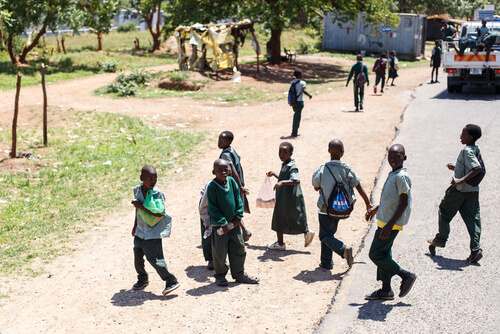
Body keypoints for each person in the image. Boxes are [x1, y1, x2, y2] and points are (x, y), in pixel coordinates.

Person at [365, 144, 416, 300]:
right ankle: (386, 290)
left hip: (390, 224)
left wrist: (389, 225)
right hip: (385, 221)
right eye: (390, 156)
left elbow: (403, 202)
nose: (393, 159)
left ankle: (405, 275)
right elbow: (390, 200)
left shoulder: (401, 176)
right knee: (384, 254)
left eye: (397, 156)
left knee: (375, 254)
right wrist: (376, 209)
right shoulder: (393, 173)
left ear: (404, 158)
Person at [312, 139, 373, 269]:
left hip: (325, 209)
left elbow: (315, 186)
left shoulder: (323, 169)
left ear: (328, 151)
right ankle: (326, 262)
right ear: (342, 152)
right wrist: (367, 203)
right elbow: (358, 185)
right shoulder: (347, 169)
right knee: (329, 235)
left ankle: (343, 250)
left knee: (324, 235)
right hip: (341, 208)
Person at [428, 124, 484, 263]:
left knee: (444, 211)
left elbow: (476, 168)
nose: (460, 136)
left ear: (470, 137)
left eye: (463, 133)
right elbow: (472, 167)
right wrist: (456, 168)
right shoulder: (475, 149)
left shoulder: (467, 151)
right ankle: (475, 250)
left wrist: (459, 180)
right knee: (473, 220)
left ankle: (441, 239)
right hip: (472, 191)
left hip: (459, 190)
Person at [207, 159, 259, 286]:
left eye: (226, 169)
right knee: (219, 252)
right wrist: (223, 223)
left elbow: (238, 200)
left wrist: (238, 217)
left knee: (239, 248)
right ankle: (220, 276)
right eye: (219, 170)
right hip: (221, 227)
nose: (223, 172)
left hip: (234, 225)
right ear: (214, 172)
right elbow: (213, 208)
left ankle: (239, 274)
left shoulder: (232, 182)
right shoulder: (212, 187)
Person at [131, 165, 179, 295]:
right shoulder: (137, 190)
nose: (153, 181)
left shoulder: (158, 193)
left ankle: (171, 280)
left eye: (155, 178)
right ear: (141, 178)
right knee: (137, 257)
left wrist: (141, 206)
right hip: (141, 230)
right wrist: (135, 225)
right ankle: (142, 279)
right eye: (149, 178)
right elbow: (137, 210)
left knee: (155, 259)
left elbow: (159, 213)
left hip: (153, 232)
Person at [266, 142, 315, 250]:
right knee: (289, 216)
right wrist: (274, 174)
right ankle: (305, 232)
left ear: (291, 153)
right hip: (285, 196)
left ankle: (280, 244)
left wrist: (282, 182)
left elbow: (296, 180)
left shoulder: (292, 166)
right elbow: (286, 178)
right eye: (280, 152)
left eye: (285, 152)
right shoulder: (284, 164)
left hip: (289, 197)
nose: (281, 154)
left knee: (280, 216)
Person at [218, 131, 252, 242]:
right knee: (236, 207)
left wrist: (239, 186)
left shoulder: (226, 154)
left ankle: (238, 233)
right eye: (219, 139)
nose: (219, 142)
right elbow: (240, 167)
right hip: (237, 183)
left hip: (232, 185)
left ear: (229, 142)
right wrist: (241, 183)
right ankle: (244, 230)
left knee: (232, 209)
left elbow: (232, 169)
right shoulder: (232, 150)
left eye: (222, 141)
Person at [290, 69, 313, 137]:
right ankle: (294, 132)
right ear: (299, 75)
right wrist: (309, 95)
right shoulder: (303, 83)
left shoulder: (293, 82)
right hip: (300, 102)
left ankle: (294, 131)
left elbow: (293, 79)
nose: (302, 75)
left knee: (295, 115)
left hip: (293, 102)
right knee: (297, 117)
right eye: (301, 74)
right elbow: (304, 90)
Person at [199, 181, 214, 270]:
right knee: (208, 232)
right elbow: (203, 208)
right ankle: (211, 258)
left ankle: (220, 258)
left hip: (221, 206)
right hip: (206, 205)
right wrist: (206, 222)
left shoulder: (231, 184)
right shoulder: (211, 186)